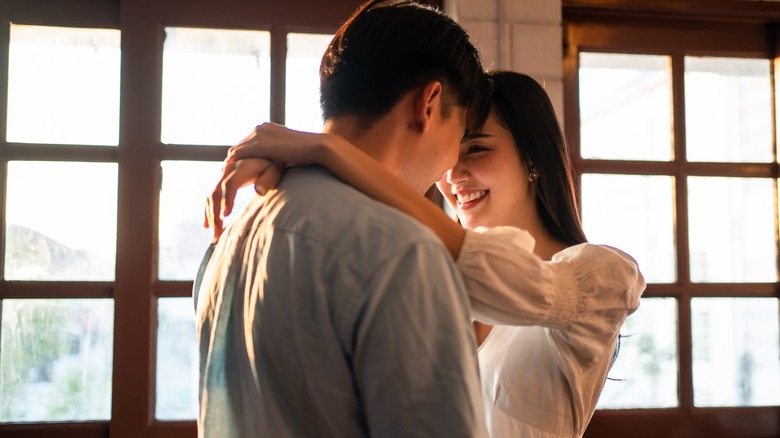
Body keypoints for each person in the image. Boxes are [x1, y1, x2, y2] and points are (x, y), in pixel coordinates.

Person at [207, 71, 646, 438]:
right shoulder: (425, 263)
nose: (455, 176)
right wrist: (294, 171)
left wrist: (325, 149)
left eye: (477, 149)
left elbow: (517, 284)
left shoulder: (602, 274)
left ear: (532, 156)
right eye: (450, 156)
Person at [193, 0, 493, 437]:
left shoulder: (227, 244)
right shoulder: (402, 252)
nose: (451, 168)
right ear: (429, 104)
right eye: (461, 137)